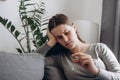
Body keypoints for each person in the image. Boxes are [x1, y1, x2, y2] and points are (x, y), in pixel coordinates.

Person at [35, 14, 120, 80]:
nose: (65, 39)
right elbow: (31, 60)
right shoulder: (60, 58)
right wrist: (51, 42)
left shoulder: (99, 48)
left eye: (67, 33)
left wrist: (96, 71)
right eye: (59, 37)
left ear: (74, 27)